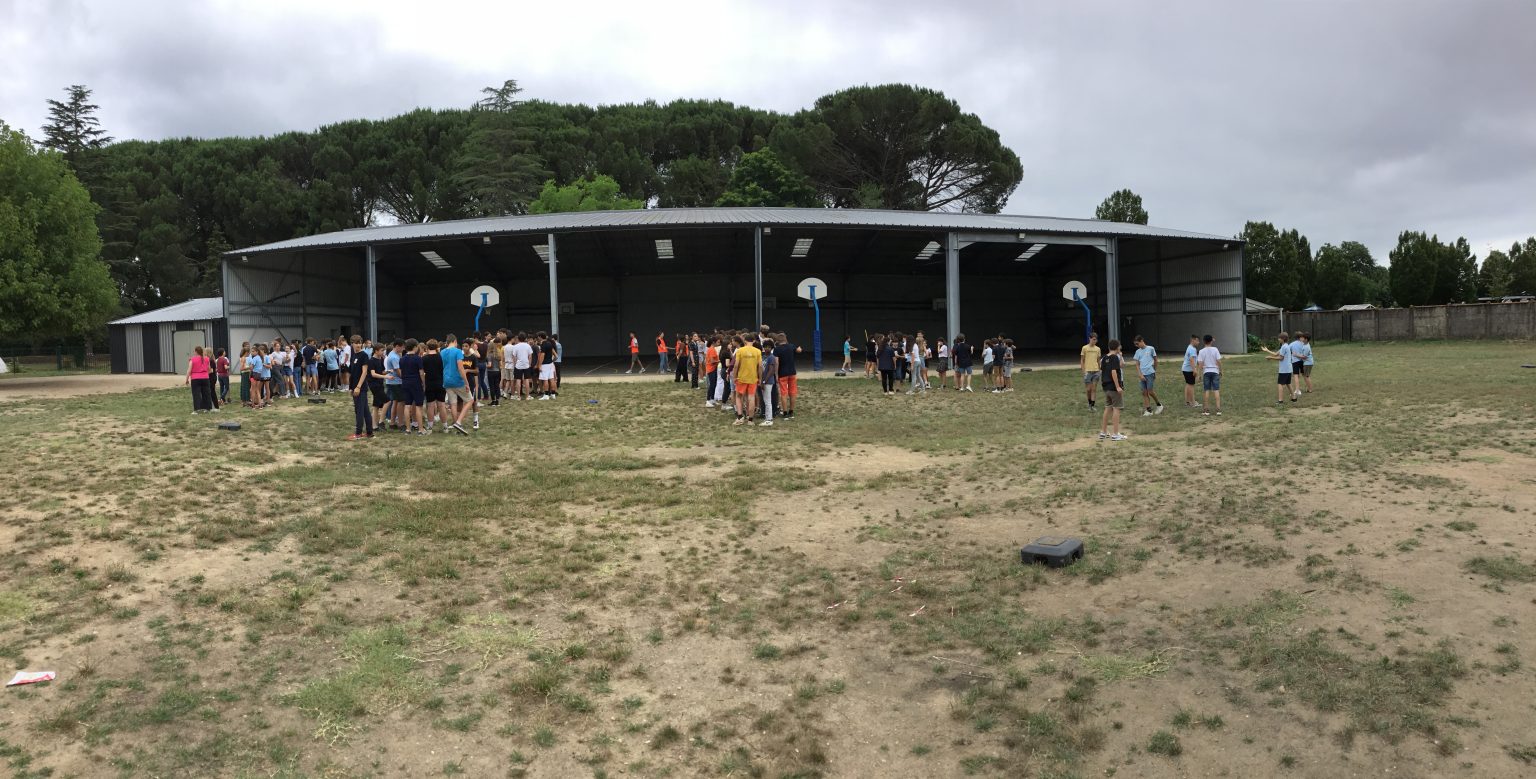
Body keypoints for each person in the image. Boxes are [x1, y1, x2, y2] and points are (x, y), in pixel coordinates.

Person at [440, 334, 472, 434]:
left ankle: (456, 424)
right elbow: (460, 368)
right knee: (470, 400)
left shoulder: (442, 352)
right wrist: (466, 383)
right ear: (455, 341)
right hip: (457, 380)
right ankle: (458, 422)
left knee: (453, 403)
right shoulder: (458, 351)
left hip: (446, 380)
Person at [1098, 339, 1127, 441]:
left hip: (1106, 387)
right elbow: (1114, 372)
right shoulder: (1114, 357)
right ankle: (1115, 434)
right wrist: (1118, 386)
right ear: (1117, 347)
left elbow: (1103, 370)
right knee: (1116, 409)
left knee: (1107, 408)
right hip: (1114, 387)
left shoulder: (1104, 358)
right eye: (1119, 346)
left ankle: (1103, 432)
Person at [347, 336, 375, 440]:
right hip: (355, 386)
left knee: (359, 410)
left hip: (361, 387)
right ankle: (369, 432)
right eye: (356, 343)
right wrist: (351, 387)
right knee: (365, 410)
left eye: (359, 343)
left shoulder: (364, 355)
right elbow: (352, 373)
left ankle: (358, 433)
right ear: (352, 344)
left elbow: (364, 372)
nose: (358, 345)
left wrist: (358, 387)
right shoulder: (354, 355)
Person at [731, 335, 762, 426]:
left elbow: (736, 365)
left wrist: (734, 376)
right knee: (751, 397)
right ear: (753, 341)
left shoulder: (740, 350)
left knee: (739, 397)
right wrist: (760, 378)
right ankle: (750, 419)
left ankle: (740, 417)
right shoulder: (758, 351)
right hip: (753, 378)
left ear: (744, 341)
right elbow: (760, 366)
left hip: (741, 378)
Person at [399, 339, 426, 434]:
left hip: (405, 383)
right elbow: (421, 373)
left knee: (407, 405)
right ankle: (420, 429)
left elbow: (401, 372)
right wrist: (424, 383)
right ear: (415, 347)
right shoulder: (418, 358)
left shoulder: (402, 359)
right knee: (418, 406)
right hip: (416, 383)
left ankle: (408, 429)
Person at [1132, 335, 1164, 416]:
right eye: (1135, 344)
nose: (1136, 345)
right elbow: (1137, 364)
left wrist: (1154, 371)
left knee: (1150, 391)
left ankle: (1159, 405)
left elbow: (1155, 360)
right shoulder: (1137, 352)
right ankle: (1149, 410)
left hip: (1150, 373)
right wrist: (1140, 374)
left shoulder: (1151, 349)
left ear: (1142, 341)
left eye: (1137, 343)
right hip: (1142, 375)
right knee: (1144, 392)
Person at [1261, 331, 1296, 405]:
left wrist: (1270, 358)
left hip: (1284, 369)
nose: (1278, 339)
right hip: (1288, 369)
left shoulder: (1284, 347)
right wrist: (1267, 350)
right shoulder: (1286, 346)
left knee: (1280, 384)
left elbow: (1281, 358)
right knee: (1288, 383)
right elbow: (1276, 354)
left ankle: (1280, 401)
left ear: (1283, 339)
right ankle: (1294, 398)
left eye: (1279, 338)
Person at [773, 333, 800, 419]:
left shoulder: (777, 349)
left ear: (778, 341)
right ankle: (791, 411)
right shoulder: (791, 346)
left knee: (783, 393)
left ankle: (785, 412)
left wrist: (776, 374)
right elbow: (798, 350)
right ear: (786, 339)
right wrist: (799, 348)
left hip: (782, 373)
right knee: (793, 392)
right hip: (792, 372)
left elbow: (776, 362)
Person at [1196, 334, 1223, 416]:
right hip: (1215, 371)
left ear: (1203, 341)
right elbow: (1219, 361)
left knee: (1206, 390)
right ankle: (1218, 409)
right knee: (1216, 390)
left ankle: (1206, 410)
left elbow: (1200, 364)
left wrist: (1199, 374)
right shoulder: (1215, 349)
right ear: (1211, 341)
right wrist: (1220, 370)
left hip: (1206, 372)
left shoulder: (1201, 351)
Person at [423, 339, 446, 430]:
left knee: (430, 406)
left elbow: (422, 372)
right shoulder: (441, 357)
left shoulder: (424, 358)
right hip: (440, 383)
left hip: (429, 384)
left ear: (427, 347)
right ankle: (445, 427)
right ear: (437, 347)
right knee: (442, 405)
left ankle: (430, 427)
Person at [367, 340, 389, 429]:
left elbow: (381, 372)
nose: (383, 352)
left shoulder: (380, 359)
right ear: (376, 351)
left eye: (384, 350)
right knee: (387, 401)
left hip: (380, 384)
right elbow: (373, 374)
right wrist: (385, 377)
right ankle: (381, 421)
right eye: (381, 350)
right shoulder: (371, 361)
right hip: (374, 385)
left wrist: (388, 372)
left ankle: (374, 426)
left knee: (376, 406)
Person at [186, 345, 213, 413]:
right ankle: (208, 408)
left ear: (196, 352)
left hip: (195, 378)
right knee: (206, 393)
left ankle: (196, 410)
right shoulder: (207, 359)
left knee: (196, 394)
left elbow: (189, 370)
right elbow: (209, 369)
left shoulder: (192, 359)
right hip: (205, 378)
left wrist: (187, 379)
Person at [758, 337, 778, 427]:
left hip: (768, 381)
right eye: (765, 347)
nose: (767, 348)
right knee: (765, 399)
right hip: (763, 380)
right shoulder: (762, 356)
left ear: (772, 348)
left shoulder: (771, 357)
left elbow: (771, 371)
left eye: (769, 347)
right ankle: (767, 417)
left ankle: (769, 419)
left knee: (767, 400)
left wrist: (764, 381)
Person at [1080, 333, 1102, 410]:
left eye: (1096, 340)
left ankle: (1092, 405)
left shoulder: (1098, 349)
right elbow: (1082, 360)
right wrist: (1084, 371)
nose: (1095, 341)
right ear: (1089, 339)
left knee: (1094, 389)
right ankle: (1089, 403)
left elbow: (1098, 360)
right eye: (1093, 339)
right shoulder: (1084, 348)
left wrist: (1100, 370)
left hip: (1096, 371)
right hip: (1088, 372)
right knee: (1088, 389)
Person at [1181, 334, 1202, 408]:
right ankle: (1193, 402)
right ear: (1193, 340)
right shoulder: (1192, 349)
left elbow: (1193, 359)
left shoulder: (1190, 347)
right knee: (1191, 385)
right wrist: (1194, 370)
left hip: (1186, 369)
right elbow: (1191, 360)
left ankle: (1188, 401)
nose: (1198, 342)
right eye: (1197, 341)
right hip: (1189, 370)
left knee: (1188, 385)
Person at [536, 331, 557, 400]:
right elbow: (556, 356)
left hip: (545, 364)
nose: (537, 338)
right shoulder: (549, 343)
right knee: (551, 379)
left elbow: (542, 355)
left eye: (538, 337)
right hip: (550, 364)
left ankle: (546, 395)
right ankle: (553, 394)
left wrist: (539, 365)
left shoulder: (543, 344)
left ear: (540, 337)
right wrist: (552, 361)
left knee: (545, 379)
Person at [704, 335, 722, 407]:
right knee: (711, 385)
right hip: (711, 369)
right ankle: (708, 400)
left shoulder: (712, 349)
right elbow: (712, 361)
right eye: (717, 342)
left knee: (714, 384)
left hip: (713, 368)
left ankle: (712, 399)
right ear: (714, 342)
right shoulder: (711, 349)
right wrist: (719, 360)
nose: (718, 343)